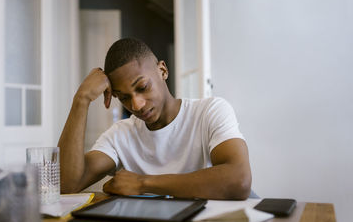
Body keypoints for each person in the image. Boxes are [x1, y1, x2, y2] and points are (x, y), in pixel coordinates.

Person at [58, 38, 251, 200]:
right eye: (124, 97)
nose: (136, 105)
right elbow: (67, 185)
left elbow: (239, 180)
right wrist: (81, 100)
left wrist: (143, 183)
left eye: (142, 87)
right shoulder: (120, 134)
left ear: (162, 71)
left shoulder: (210, 111)